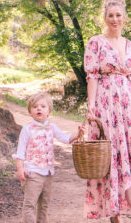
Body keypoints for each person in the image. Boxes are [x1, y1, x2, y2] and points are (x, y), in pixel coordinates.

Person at [84, 0, 131, 223]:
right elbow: (92, 76)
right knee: (111, 158)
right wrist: (91, 106)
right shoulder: (96, 42)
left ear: (124, 18)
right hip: (106, 105)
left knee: (130, 158)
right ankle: (122, 215)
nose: (115, 19)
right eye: (110, 15)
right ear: (104, 17)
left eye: (118, 15)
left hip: (128, 108)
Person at [13, 92, 81, 223]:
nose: (39, 108)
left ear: (49, 111)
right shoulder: (27, 129)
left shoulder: (52, 127)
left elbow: (65, 138)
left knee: (44, 204)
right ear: (30, 112)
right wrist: (20, 168)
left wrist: (77, 134)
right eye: (35, 106)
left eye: (43, 106)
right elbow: (20, 150)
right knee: (30, 204)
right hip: (32, 172)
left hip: (48, 172)